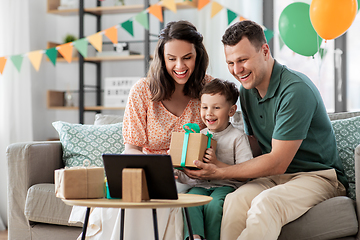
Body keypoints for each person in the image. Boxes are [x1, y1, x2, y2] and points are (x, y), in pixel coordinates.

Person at [182, 20, 348, 240]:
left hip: (317, 176)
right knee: (234, 201)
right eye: (230, 62)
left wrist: (220, 171)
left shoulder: (295, 90)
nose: (236, 69)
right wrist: (207, 146)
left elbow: (278, 162)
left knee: (266, 203)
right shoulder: (247, 91)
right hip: (275, 177)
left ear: (265, 51)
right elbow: (255, 147)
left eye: (242, 60)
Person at [70, 20, 213, 240]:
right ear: (162, 58)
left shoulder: (209, 89)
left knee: (155, 204)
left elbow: (222, 133)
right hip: (149, 174)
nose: (179, 66)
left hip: (189, 178)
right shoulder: (143, 90)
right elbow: (131, 149)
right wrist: (160, 170)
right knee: (128, 203)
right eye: (171, 59)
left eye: (187, 58)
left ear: (198, 56)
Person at [175, 79, 253, 240]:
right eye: (205, 107)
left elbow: (246, 172)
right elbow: (191, 173)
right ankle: (194, 237)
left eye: (216, 108)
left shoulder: (237, 137)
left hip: (225, 186)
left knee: (214, 204)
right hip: (201, 185)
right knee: (189, 202)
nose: (209, 113)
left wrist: (217, 164)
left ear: (231, 111)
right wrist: (177, 171)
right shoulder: (199, 136)